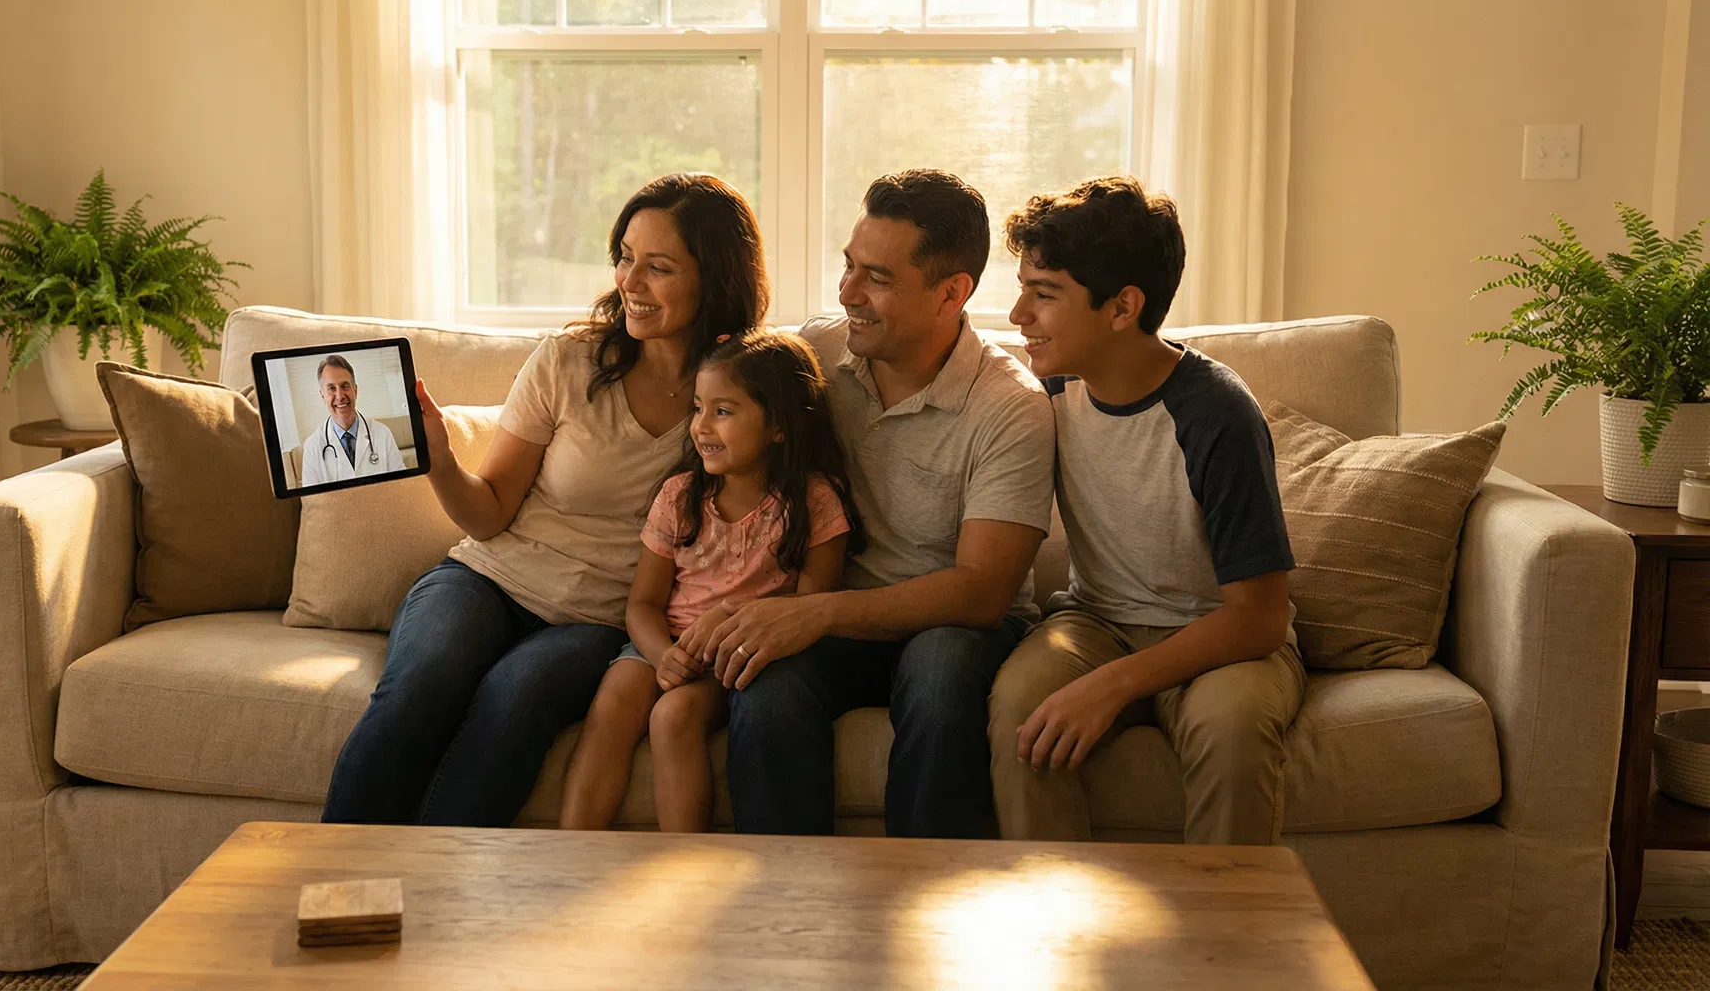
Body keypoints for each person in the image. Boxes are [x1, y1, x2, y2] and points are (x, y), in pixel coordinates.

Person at [321, 173, 769, 827]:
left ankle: (436, 894)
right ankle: (329, 882)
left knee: (513, 699)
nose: (630, 282)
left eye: (659, 267)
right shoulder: (568, 360)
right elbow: (489, 509)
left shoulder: (741, 393)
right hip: (483, 580)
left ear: (716, 278)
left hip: (597, 622)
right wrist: (440, 460)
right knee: (419, 689)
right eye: (625, 258)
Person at [681, 169, 1057, 839]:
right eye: (849, 266)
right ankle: (786, 910)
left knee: (940, 678)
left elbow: (980, 594)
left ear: (952, 293)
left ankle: (923, 914)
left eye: (877, 278)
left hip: (954, 626)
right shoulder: (818, 355)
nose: (848, 292)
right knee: (764, 691)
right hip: (836, 620)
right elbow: (718, 406)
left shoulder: (1011, 407)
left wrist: (812, 612)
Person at [989, 174, 1303, 846]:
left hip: (1219, 635)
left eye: (1044, 295)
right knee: (1021, 703)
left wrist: (1113, 686)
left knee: (1233, 727)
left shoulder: (1215, 411)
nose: (1019, 315)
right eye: (1023, 290)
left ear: (1122, 307)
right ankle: (1054, 929)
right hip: (1094, 622)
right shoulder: (1044, 391)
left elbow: (1260, 617)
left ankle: (1224, 941)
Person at [557, 331, 864, 833]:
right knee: (613, 703)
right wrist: (663, 655)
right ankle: (568, 855)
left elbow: (811, 608)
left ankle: (684, 868)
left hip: (740, 654)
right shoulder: (680, 497)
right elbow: (642, 605)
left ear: (780, 426)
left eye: (723, 411)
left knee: (672, 716)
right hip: (667, 643)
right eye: (698, 408)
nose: (701, 426)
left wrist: (726, 628)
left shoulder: (815, 502)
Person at [299, 354, 406, 486]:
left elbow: (403, 486)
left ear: (355, 391)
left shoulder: (382, 433)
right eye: (331, 388)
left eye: (345, 386)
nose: (339, 396)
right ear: (323, 396)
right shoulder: (312, 447)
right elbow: (312, 501)